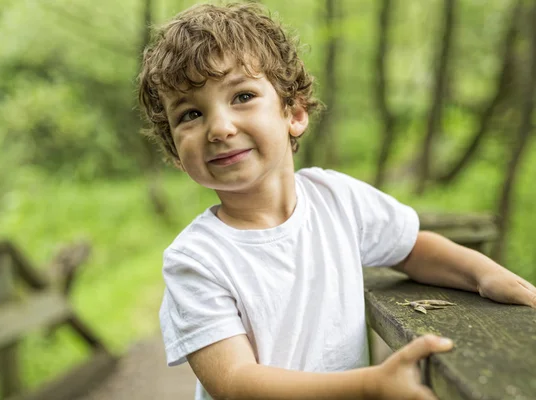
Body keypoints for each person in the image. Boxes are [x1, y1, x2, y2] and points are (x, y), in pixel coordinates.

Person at [137, 3, 536, 399]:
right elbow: (234, 382)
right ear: (175, 152)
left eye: (242, 96)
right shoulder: (195, 260)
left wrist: (484, 275)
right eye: (190, 114)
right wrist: (369, 386)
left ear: (293, 113)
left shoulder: (337, 199)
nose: (220, 128)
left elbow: (413, 247)